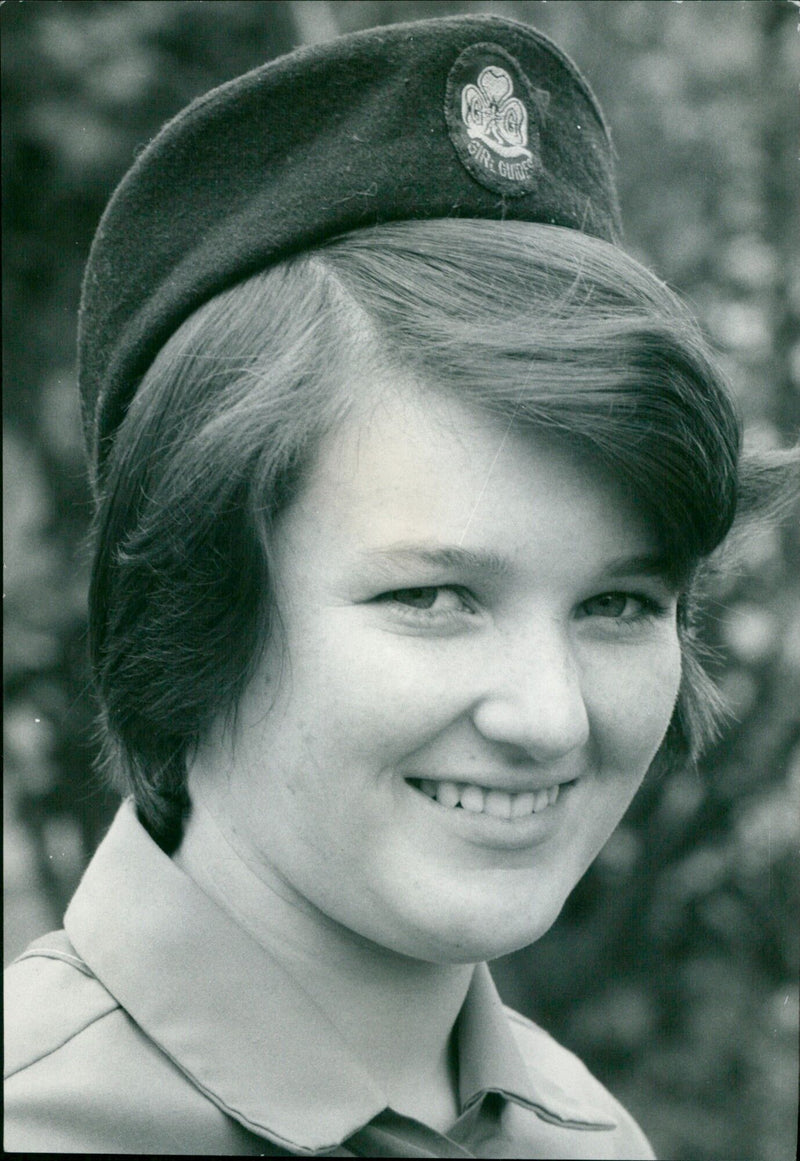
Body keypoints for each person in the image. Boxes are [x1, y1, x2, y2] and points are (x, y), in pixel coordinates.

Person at [4, 13, 795, 1157]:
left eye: (618, 605)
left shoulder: (584, 1140)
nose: (549, 716)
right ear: (194, 608)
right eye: (433, 598)